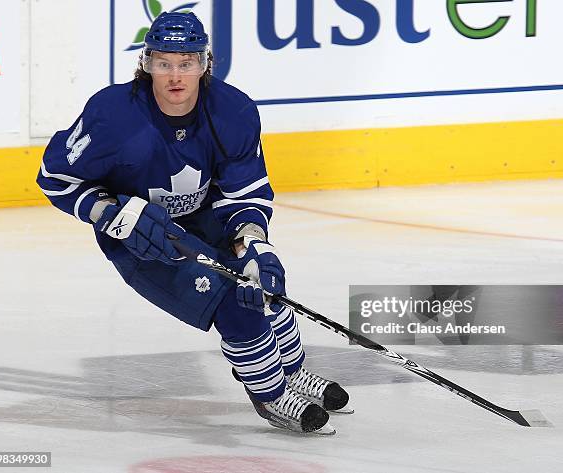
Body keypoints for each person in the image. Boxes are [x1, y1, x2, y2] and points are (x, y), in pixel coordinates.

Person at [36, 11, 351, 435]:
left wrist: (254, 244)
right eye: (164, 63)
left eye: (186, 63)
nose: (175, 75)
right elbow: (54, 178)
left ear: (205, 64)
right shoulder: (111, 116)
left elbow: (244, 193)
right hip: (143, 234)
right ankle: (272, 396)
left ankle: (292, 374)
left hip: (208, 215)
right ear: (146, 64)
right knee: (232, 304)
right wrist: (109, 215)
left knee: (262, 283)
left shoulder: (233, 111)